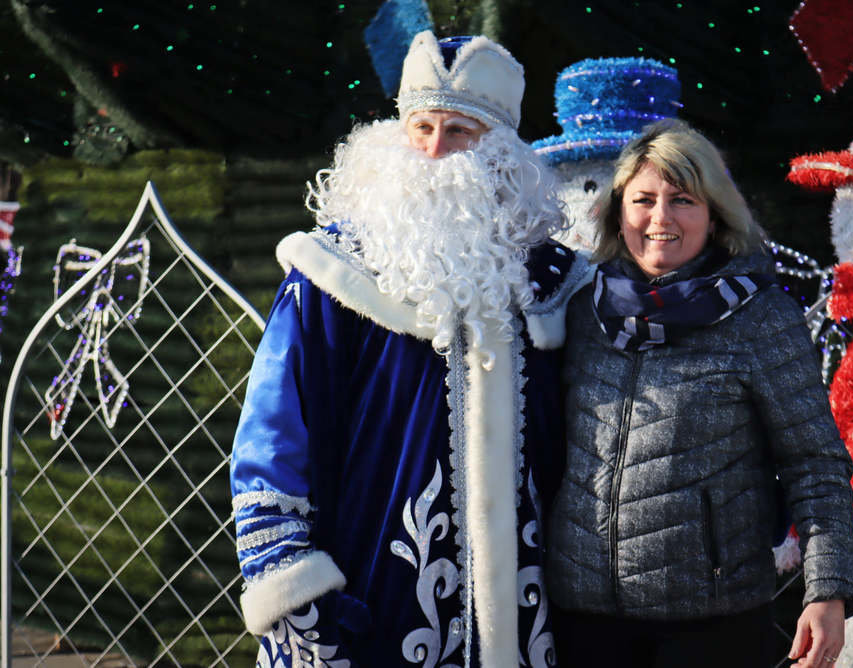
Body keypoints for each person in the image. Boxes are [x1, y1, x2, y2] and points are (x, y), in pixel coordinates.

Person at [229, 30, 588, 668]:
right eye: (421, 127)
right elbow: (274, 436)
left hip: (532, 611)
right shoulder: (329, 274)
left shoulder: (557, 282)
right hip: (370, 599)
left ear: (501, 151)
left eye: (460, 133)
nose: (433, 150)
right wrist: (293, 590)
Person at [545, 119, 853, 668]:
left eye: (683, 200)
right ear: (619, 212)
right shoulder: (579, 312)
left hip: (712, 626)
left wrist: (828, 591)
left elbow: (816, 463)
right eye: (644, 199)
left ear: (714, 215)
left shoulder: (760, 318)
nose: (660, 218)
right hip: (581, 621)